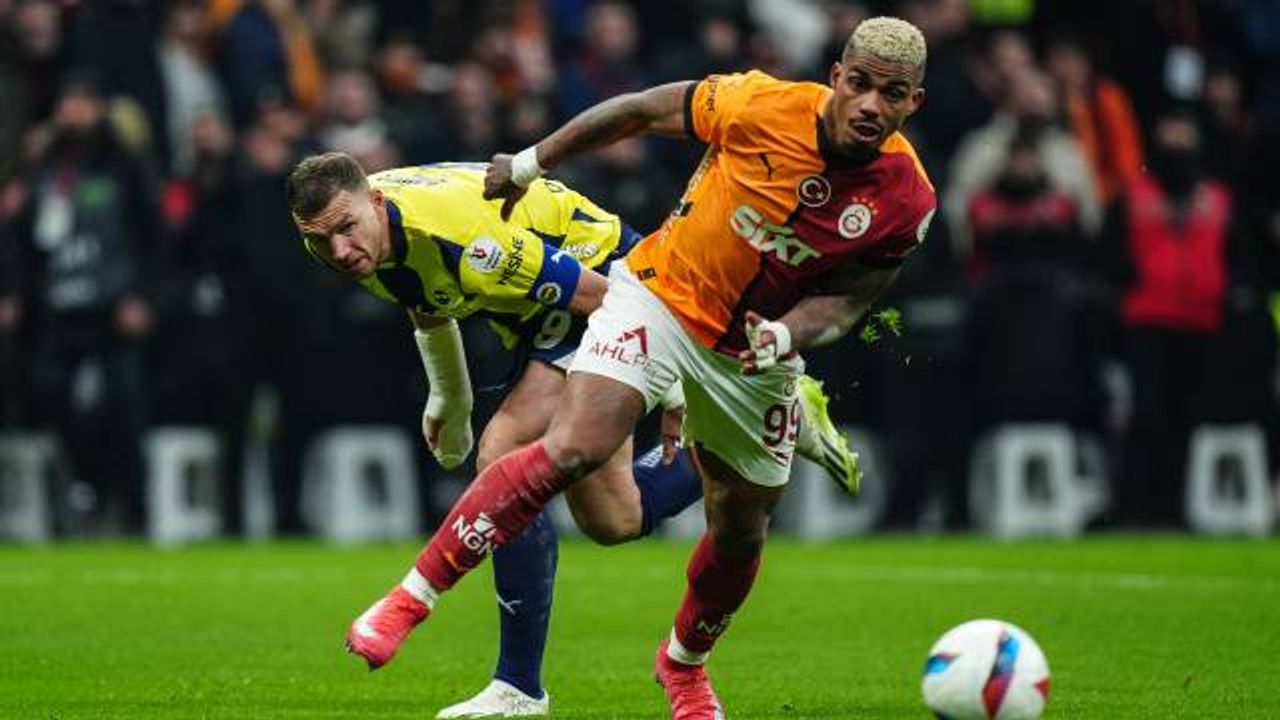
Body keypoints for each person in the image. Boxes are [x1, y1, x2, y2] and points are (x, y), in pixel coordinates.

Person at [342, 15, 934, 719]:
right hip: (657, 295)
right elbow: (640, 111)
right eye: (859, 83)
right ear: (836, 76)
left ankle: (683, 665)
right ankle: (410, 601)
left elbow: (850, 299)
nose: (869, 104)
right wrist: (532, 161)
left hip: (753, 354)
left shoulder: (908, 199)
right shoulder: (760, 104)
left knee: (737, 529)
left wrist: (786, 334)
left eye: (890, 94)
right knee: (571, 447)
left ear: (913, 102)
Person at [285, 153, 857, 718]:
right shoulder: (359, 234)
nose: (338, 250)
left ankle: (518, 687)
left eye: (345, 229)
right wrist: (451, 400)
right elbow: (424, 293)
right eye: (319, 240)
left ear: (375, 202)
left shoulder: (466, 239)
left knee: (503, 449)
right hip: (544, 312)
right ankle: (772, 426)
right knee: (614, 518)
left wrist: (675, 387)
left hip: (608, 278)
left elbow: (604, 299)